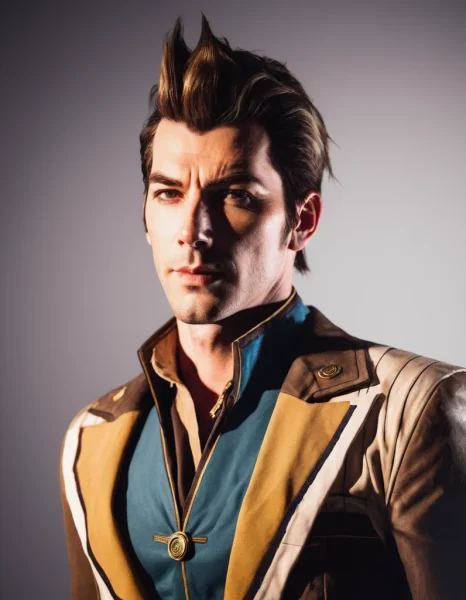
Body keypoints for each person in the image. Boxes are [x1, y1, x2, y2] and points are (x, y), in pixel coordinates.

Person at [59, 15, 466, 600]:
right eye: (169, 192)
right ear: (146, 215)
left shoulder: (413, 409)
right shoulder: (89, 439)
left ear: (303, 220)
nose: (193, 230)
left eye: (236, 197)